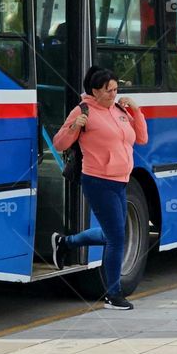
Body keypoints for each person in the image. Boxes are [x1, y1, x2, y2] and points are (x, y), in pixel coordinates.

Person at [51, 66, 149, 310]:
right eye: (108, 91)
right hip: (98, 181)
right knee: (117, 236)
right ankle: (112, 295)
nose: (113, 95)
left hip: (121, 179)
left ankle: (66, 243)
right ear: (94, 91)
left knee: (111, 234)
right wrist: (75, 127)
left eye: (116, 89)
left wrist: (135, 111)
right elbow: (59, 143)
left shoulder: (119, 110)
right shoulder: (82, 110)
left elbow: (142, 138)